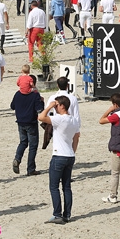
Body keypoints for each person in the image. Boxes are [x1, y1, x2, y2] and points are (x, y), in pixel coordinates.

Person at [38, 96, 81, 225]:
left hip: (59, 155)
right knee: (67, 187)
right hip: (69, 155)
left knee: (54, 187)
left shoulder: (60, 119)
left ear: (62, 106)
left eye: (57, 105)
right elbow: (76, 137)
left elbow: (40, 117)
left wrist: (49, 106)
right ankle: (67, 214)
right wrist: (73, 151)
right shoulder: (74, 120)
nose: (55, 107)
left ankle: (57, 214)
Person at [11, 74, 45, 176]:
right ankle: (31, 169)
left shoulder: (17, 94)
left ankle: (17, 158)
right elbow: (40, 110)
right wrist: (42, 101)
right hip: (31, 123)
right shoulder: (35, 95)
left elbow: (12, 106)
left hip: (20, 122)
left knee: (23, 142)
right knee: (33, 146)